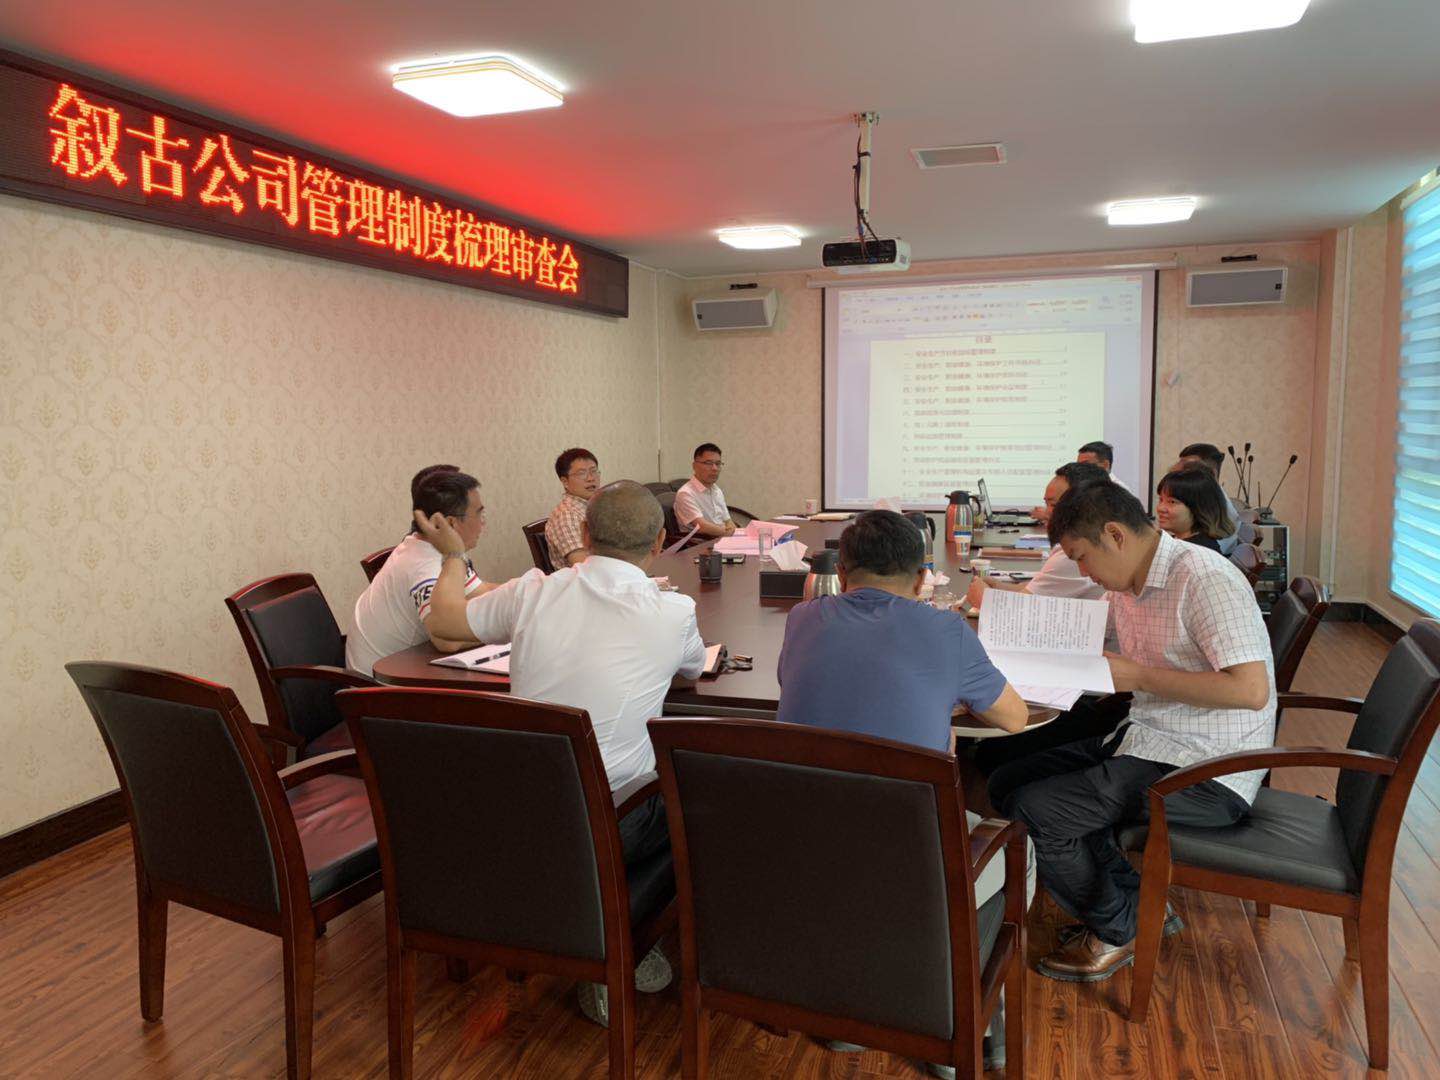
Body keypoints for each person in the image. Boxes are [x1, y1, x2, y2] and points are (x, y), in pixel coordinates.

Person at [416, 480, 706, 1021]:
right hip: (613, 823)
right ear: (659, 541)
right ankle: (624, 942)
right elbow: (693, 667)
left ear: (587, 535)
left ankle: (583, 926)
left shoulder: (533, 591)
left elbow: (443, 621)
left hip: (518, 811)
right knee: (700, 798)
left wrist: (454, 557)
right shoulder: (674, 611)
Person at [775, 509, 1030, 1075]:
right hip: (908, 854)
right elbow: (1013, 718)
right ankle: (958, 1016)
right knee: (1021, 853)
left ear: (842, 573)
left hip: (802, 839)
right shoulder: (945, 631)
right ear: (921, 579)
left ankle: (853, 1009)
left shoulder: (802, 619)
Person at [990, 482, 1274, 983]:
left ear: (1115, 535)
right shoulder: (1130, 583)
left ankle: (1119, 928)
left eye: (1082, 558)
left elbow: (1251, 690)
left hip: (1208, 768)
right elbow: (1097, 643)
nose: (1084, 573)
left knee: (1040, 810)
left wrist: (1138, 677)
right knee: (1007, 781)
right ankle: (1140, 905)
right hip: (1150, 736)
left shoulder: (1204, 578)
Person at [345, 467, 497, 677]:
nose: (483, 523)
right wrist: (508, 624)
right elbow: (447, 640)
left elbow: (482, 592)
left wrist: (532, 590)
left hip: (411, 670)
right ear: (450, 523)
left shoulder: (437, 549)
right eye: (479, 514)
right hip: (379, 688)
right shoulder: (423, 564)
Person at [966, 461, 1110, 611]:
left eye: (1053, 505)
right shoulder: (1070, 547)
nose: (1046, 513)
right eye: (1046, 504)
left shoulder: (1073, 555)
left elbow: (1022, 611)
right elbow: (1036, 590)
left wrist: (986, 600)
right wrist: (998, 586)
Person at [1177, 442, 1241, 554]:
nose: (1179, 473)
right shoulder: (1203, 499)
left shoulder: (1217, 507)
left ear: (1211, 473)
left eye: (1189, 468)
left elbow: (1206, 550)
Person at [1156, 465, 1235, 553]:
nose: (1160, 508)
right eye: (1161, 500)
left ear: (1199, 508)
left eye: (1172, 502)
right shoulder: (1180, 542)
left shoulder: (1199, 552)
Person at [544, 447, 601, 568]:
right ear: (565, 482)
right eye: (582, 473)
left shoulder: (599, 506)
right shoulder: (566, 515)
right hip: (587, 578)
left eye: (594, 471)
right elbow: (584, 567)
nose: (591, 478)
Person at [674, 442, 737, 538]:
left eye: (718, 464)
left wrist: (734, 532)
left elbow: (728, 521)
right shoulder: (685, 493)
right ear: (694, 466)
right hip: (702, 543)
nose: (715, 468)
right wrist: (728, 533)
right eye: (708, 463)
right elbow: (702, 527)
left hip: (723, 539)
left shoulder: (717, 490)